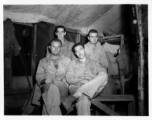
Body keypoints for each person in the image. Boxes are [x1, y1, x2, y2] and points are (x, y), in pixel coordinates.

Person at [23, 38, 71, 115]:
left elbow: (71, 73)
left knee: (49, 99)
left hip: (62, 85)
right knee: (52, 88)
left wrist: (66, 79)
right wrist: (44, 80)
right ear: (49, 47)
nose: (56, 49)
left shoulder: (67, 60)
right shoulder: (43, 61)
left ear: (61, 48)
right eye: (53, 46)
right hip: (47, 84)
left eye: (58, 47)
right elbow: (39, 75)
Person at [66, 43, 108, 115]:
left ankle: (75, 96)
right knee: (84, 98)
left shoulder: (94, 63)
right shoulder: (72, 63)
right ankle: (80, 92)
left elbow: (102, 73)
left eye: (81, 49)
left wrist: (91, 82)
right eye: (77, 51)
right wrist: (81, 82)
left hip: (93, 88)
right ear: (75, 54)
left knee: (104, 75)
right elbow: (69, 78)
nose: (79, 52)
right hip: (76, 86)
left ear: (84, 49)